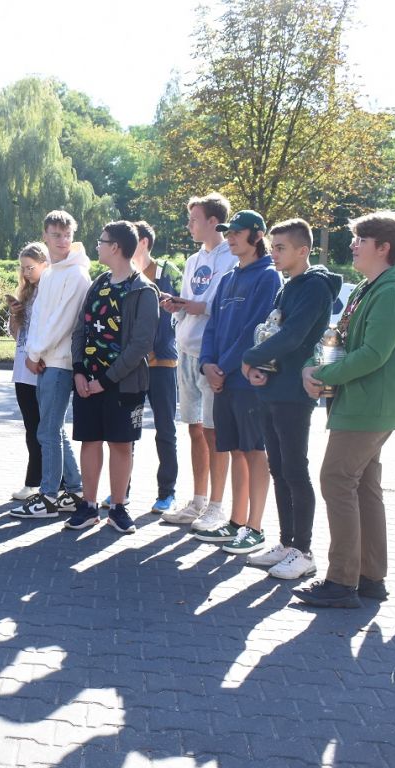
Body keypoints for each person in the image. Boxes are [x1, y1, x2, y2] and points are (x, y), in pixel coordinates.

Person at [294, 211, 395, 608]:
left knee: (336, 479)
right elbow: (342, 339)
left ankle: (341, 581)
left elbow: (373, 354)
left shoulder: (393, 291)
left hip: (370, 403)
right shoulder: (370, 288)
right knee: (364, 485)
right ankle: (369, 576)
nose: (352, 245)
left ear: (383, 247)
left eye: (360, 240)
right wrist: (317, 366)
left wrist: (323, 374)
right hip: (362, 400)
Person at [241, 218, 341, 579]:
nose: (274, 253)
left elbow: (294, 336)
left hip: (296, 393)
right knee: (279, 468)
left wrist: (249, 358)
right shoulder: (287, 286)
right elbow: (273, 332)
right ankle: (286, 543)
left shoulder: (315, 287)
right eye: (273, 246)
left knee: (295, 469)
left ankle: (304, 551)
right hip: (272, 388)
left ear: (303, 250)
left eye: (281, 247)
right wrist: (259, 367)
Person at [193, 210, 280, 555]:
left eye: (237, 233)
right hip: (223, 380)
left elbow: (255, 330)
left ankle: (254, 528)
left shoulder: (268, 276)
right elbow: (212, 327)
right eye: (228, 232)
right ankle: (236, 521)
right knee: (235, 450)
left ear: (257, 236)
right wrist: (206, 364)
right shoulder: (229, 277)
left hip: (245, 382)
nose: (229, 238)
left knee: (254, 450)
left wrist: (224, 368)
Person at [65, 221, 160, 534]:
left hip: (123, 384)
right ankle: (89, 506)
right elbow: (80, 329)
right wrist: (79, 370)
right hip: (88, 382)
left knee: (120, 444)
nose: (98, 246)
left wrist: (105, 381)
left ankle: (118, 508)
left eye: (101, 241)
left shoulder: (143, 290)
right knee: (89, 440)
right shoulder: (99, 283)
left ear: (115, 247)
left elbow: (141, 345)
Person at [161, 194, 239, 529]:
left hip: (211, 355)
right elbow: (190, 300)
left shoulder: (231, 257)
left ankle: (216, 507)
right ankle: (197, 501)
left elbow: (222, 305)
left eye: (194, 219)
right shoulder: (193, 259)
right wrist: (176, 305)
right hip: (186, 349)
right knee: (194, 428)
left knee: (213, 431)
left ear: (213, 221)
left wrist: (196, 307)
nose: (189, 224)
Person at [9, 210, 88, 519]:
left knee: (47, 431)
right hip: (45, 360)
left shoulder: (77, 274)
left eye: (67, 234)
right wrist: (33, 352)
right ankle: (75, 491)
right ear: (45, 236)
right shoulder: (52, 273)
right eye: (56, 234)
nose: (62, 240)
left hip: (59, 361)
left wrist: (35, 353)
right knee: (53, 430)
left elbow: (63, 322)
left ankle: (49, 497)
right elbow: (40, 318)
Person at [134, 221, 181, 514]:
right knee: (126, 429)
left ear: (143, 242)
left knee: (165, 429)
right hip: (132, 365)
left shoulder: (167, 271)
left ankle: (167, 493)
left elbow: (181, 308)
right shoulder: (123, 275)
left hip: (163, 362)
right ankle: (120, 491)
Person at [7, 242, 48, 501]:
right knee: (31, 427)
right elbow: (16, 335)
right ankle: (39, 480)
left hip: (42, 366)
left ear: (45, 264)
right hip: (23, 367)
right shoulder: (27, 291)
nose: (26, 273)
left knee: (42, 429)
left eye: (30, 267)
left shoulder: (50, 290)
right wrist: (15, 314)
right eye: (23, 268)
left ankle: (37, 481)